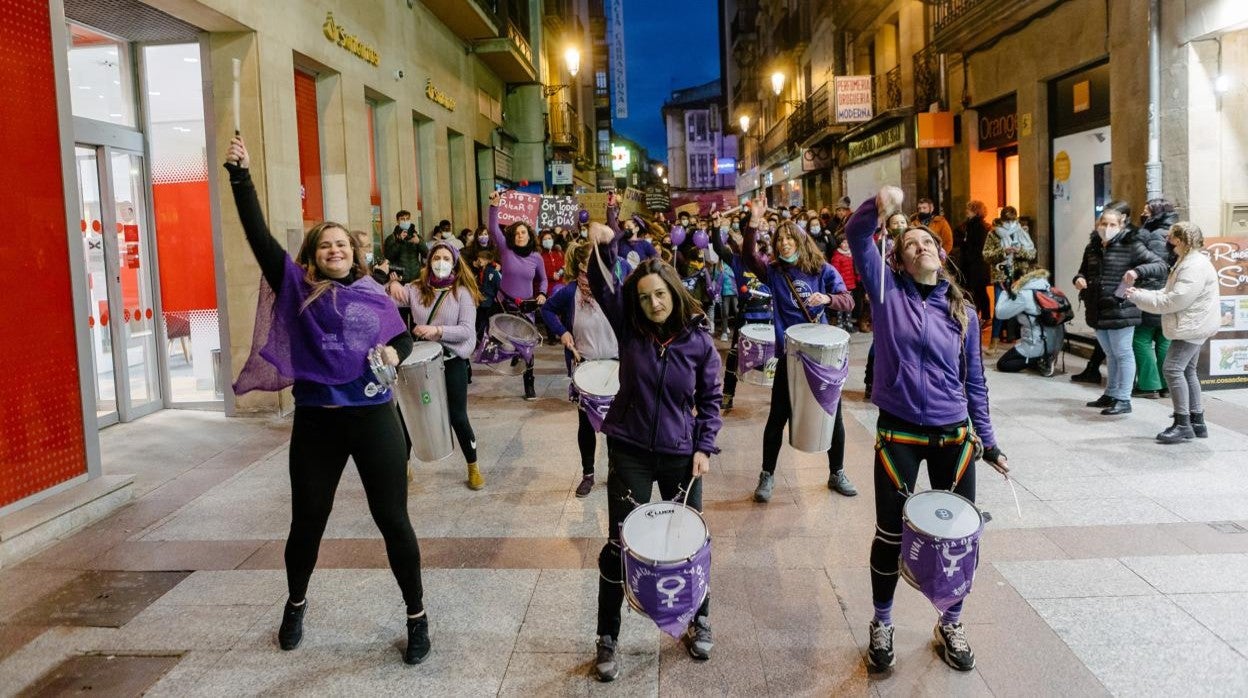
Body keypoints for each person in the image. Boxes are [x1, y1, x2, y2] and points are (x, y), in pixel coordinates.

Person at [224, 136, 430, 665]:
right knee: (308, 520)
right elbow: (259, 237)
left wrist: (394, 351)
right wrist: (241, 177)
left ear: (355, 252)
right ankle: (295, 604)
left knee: (394, 521)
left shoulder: (372, 293)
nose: (335, 251)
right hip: (317, 422)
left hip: (373, 421)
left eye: (342, 245)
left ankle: (417, 616)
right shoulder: (295, 289)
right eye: (325, 246)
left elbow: (402, 338)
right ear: (312, 256)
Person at [844, 187, 1009, 673]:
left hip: (953, 438)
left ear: (941, 252)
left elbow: (975, 383)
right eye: (910, 244)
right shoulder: (886, 291)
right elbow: (856, 235)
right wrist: (878, 205)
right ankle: (882, 622)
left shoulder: (962, 311)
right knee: (890, 535)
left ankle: (951, 621)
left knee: (958, 539)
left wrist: (991, 441)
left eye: (928, 243)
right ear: (897, 258)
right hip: (899, 436)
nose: (921, 247)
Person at [583, 223, 723, 681]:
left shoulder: (699, 341)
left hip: (682, 453)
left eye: (659, 294)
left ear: (673, 292)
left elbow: (711, 400)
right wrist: (608, 240)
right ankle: (608, 637)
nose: (653, 303)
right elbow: (604, 282)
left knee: (689, 541)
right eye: (644, 297)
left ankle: (698, 619)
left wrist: (704, 447)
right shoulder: (629, 330)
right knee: (617, 545)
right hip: (630, 449)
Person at [741, 198, 858, 501]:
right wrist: (754, 222)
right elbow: (748, 256)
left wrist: (827, 300)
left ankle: (837, 472)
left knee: (835, 417)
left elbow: (849, 300)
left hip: (820, 359)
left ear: (801, 241)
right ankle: (766, 477)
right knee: (777, 418)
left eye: (789, 238)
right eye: (780, 239)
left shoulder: (822, 269)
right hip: (788, 357)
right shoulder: (775, 272)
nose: (784, 243)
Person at [397, 241, 485, 489]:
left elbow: (467, 331)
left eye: (446, 258)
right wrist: (390, 283)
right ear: (429, 262)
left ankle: (473, 466)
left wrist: (437, 330)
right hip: (419, 364)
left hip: (451, 361)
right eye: (437, 257)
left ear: (455, 263)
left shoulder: (463, 293)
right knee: (406, 415)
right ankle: (403, 466)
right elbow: (387, 299)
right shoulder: (416, 290)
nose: (441, 263)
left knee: (458, 416)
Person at [1126, 221, 1221, 443]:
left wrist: (1139, 297)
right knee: (1187, 371)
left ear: (1179, 240)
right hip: (1195, 324)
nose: (1166, 241)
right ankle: (1197, 421)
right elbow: (1172, 292)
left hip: (1190, 326)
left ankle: (1182, 424)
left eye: (1169, 237)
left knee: (1172, 369)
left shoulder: (1193, 265)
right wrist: (1142, 292)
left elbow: (1175, 300)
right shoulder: (1188, 261)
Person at [540, 241, 620, 497]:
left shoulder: (614, 290)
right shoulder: (569, 292)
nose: (590, 277)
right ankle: (588, 473)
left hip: (615, 366)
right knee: (586, 423)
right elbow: (547, 310)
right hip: (584, 366)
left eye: (596, 270)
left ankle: (616, 471)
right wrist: (562, 332)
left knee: (617, 425)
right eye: (586, 271)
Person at [1073, 203, 1168, 415]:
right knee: (1111, 354)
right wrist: (1078, 279)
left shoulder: (1131, 244)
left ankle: (1123, 398)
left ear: (1121, 224)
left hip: (1122, 307)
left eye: (1112, 224)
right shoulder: (1093, 247)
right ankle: (1111, 393)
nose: (1107, 227)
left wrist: (1136, 271)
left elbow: (1160, 266)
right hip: (1098, 308)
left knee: (1123, 353)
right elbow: (1082, 272)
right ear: (1098, 224)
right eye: (1103, 223)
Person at [486, 190, 549, 400]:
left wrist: (542, 293)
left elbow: (544, 279)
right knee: (506, 342)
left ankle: (529, 385)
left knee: (528, 348)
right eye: (516, 233)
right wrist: (494, 206)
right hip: (505, 305)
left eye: (523, 232)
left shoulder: (536, 257)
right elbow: (494, 229)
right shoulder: (506, 251)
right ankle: (514, 353)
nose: (520, 235)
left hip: (526, 308)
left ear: (530, 235)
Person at [1132, 198, 1179, 399]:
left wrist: (1142, 293)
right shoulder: (1174, 233)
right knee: (1163, 338)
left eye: (1147, 211)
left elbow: (1156, 269)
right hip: (1170, 294)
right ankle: (1167, 385)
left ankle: (1149, 384)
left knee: (1141, 339)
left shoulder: (1154, 236)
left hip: (1154, 293)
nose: (1144, 215)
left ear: (1158, 213)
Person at [983, 206, 1037, 351]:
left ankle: (1022, 339)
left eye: (1012, 220)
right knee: (999, 308)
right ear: (1002, 220)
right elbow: (986, 255)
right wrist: (1003, 251)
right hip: (1001, 275)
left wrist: (1019, 252)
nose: (1010, 224)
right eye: (1007, 221)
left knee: (1022, 307)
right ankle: (994, 341)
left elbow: (1032, 253)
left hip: (1019, 275)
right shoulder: (993, 234)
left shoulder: (1021, 232)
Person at [993, 268, 1062, 375]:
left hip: (1037, 344)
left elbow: (1000, 314)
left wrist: (1005, 292)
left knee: (1003, 364)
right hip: (1055, 343)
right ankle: (1046, 356)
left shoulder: (1024, 294)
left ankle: (1039, 359)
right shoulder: (1048, 289)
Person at [958, 201, 993, 330]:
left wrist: (965, 244)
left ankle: (984, 316)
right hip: (972, 264)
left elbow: (976, 246)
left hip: (976, 264)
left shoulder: (978, 226)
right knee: (977, 291)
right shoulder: (969, 225)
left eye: (969, 209)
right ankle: (981, 315)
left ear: (975, 211)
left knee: (979, 291)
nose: (967, 211)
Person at [383, 210, 425, 284]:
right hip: (400, 278)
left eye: (407, 219)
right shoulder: (392, 238)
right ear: (398, 221)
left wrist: (419, 243)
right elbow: (388, 257)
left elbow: (427, 254)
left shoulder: (416, 236)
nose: (405, 221)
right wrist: (399, 241)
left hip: (416, 277)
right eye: (402, 219)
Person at [830, 234, 859, 333]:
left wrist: (857, 278)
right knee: (840, 305)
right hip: (841, 286)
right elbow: (835, 272)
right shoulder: (837, 256)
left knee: (849, 304)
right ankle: (840, 322)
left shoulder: (852, 254)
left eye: (847, 242)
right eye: (843, 242)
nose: (845, 244)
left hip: (851, 284)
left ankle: (848, 322)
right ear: (839, 244)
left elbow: (855, 269)